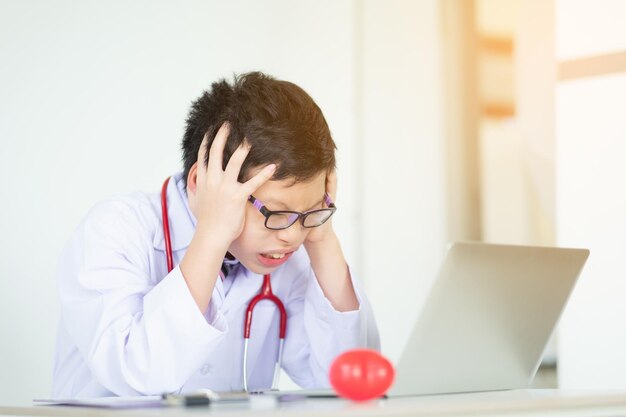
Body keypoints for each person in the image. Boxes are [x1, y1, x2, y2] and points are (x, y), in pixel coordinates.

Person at [52, 72, 380, 397]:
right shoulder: (115, 229)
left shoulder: (283, 257)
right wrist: (212, 236)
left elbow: (352, 383)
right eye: (277, 213)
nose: (292, 236)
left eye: (308, 214)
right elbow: (139, 372)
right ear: (201, 180)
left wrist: (322, 239)